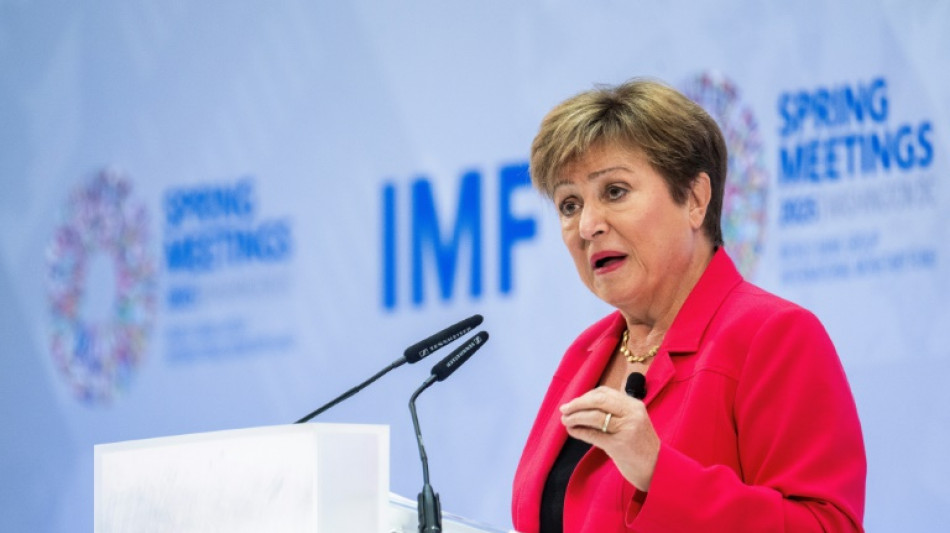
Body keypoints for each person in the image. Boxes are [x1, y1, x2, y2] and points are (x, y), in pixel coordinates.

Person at [511, 79, 866, 532]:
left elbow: (825, 526)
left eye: (615, 191)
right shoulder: (585, 354)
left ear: (695, 199)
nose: (587, 226)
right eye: (569, 205)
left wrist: (658, 472)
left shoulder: (773, 335)